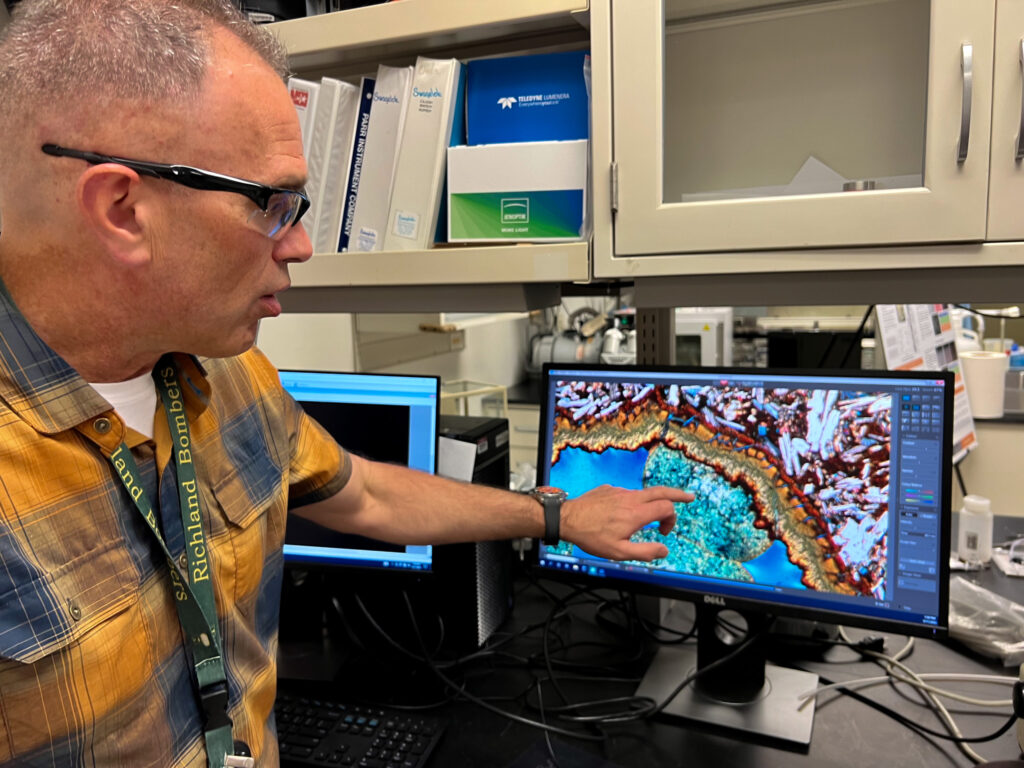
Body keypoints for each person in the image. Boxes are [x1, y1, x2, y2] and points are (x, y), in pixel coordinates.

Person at [0, 1, 693, 766]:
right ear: (123, 209)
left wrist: (555, 517)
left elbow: (365, 495)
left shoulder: (228, 376)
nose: (299, 244)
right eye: (271, 203)